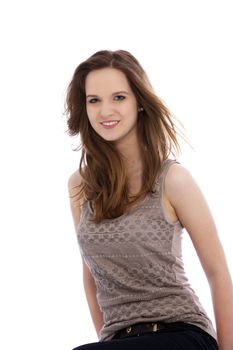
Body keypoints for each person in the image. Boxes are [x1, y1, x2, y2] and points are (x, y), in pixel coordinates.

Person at [65, 50, 233, 350]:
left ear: (139, 102)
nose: (105, 111)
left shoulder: (173, 180)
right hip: (120, 339)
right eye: (94, 100)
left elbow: (218, 272)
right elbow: (91, 276)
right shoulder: (80, 186)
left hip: (181, 333)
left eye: (118, 97)